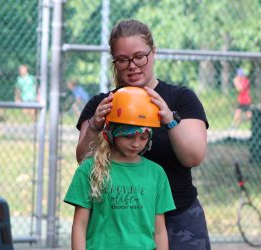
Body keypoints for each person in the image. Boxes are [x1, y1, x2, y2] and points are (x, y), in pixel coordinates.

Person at [75, 19, 210, 250]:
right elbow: (84, 160)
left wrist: (168, 119)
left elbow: (193, 157)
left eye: (139, 56)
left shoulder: (181, 98)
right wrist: (96, 125)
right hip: (120, 222)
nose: (132, 65)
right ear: (114, 61)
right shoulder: (102, 104)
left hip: (177, 217)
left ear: (153, 52)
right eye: (123, 59)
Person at [65, 86, 176, 249]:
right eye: (128, 136)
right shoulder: (89, 169)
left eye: (144, 137)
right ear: (111, 133)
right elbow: (79, 227)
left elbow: (159, 231)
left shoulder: (156, 173)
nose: (136, 143)